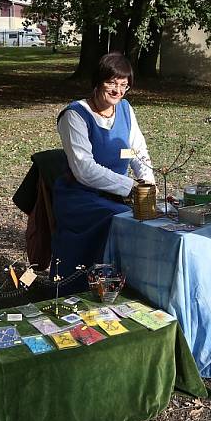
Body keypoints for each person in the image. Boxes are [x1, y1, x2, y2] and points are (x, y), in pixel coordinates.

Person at [50, 52, 155, 290]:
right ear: (98, 81)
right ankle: (96, 286)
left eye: (124, 85)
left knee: (151, 219)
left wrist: (147, 184)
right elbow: (84, 169)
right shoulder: (75, 115)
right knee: (122, 219)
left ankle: (134, 285)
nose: (118, 91)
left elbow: (138, 150)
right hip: (79, 197)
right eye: (112, 83)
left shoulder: (126, 110)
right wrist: (130, 188)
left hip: (116, 195)